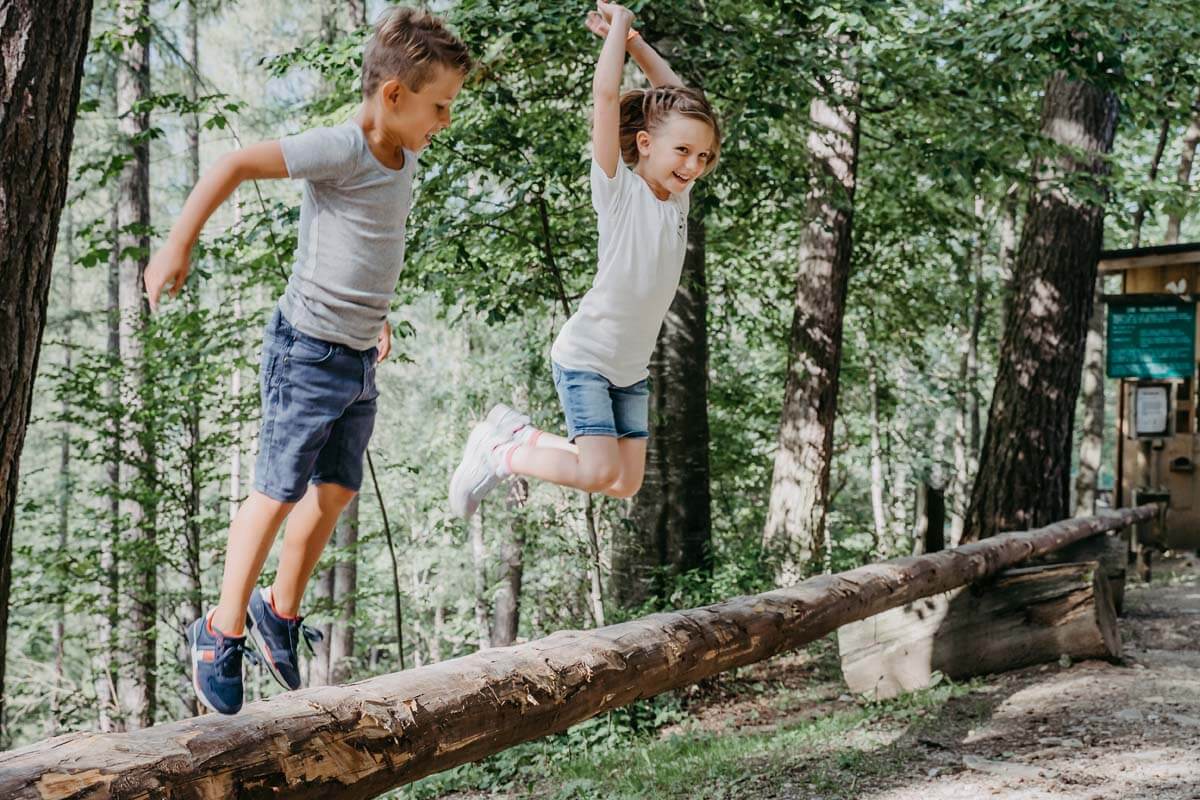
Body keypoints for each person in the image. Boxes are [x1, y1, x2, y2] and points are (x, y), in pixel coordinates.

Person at [144, 7, 471, 714]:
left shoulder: (404, 154)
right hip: (307, 352)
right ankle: (218, 628)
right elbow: (234, 164)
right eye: (439, 106)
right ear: (393, 96)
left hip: (356, 358)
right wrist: (177, 244)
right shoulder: (342, 146)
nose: (444, 121)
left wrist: (377, 316)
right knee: (278, 489)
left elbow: (370, 242)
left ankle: (277, 611)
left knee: (337, 489)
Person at [449, 1, 720, 518]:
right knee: (597, 470)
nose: (694, 164)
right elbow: (606, 94)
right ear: (643, 143)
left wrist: (639, 43)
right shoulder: (618, 190)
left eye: (702, 157)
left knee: (624, 483)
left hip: (630, 370)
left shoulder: (677, 199)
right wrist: (618, 29)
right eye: (684, 151)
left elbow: (688, 102)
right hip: (588, 359)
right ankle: (501, 453)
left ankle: (517, 432)